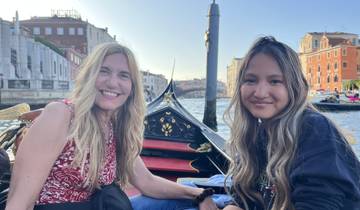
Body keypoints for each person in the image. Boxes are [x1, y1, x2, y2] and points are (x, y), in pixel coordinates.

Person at [5, 42, 217, 210]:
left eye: (123, 75)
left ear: (132, 87)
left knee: (202, 196)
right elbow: (19, 203)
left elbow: (146, 181)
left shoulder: (116, 126)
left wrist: (198, 194)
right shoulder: (60, 115)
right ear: (89, 76)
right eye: (104, 71)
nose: (113, 83)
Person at [223, 36, 360, 210]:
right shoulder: (257, 135)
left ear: (294, 87)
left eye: (275, 81)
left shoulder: (314, 128)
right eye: (251, 80)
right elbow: (244, 198)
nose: (260, 92)